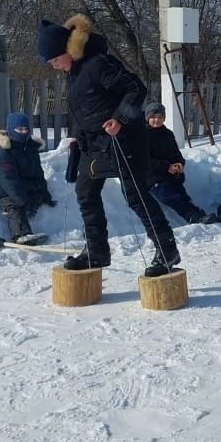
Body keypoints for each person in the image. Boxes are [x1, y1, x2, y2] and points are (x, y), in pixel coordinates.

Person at [38, 14, 180, 278]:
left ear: (66, 50)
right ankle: (97, 251)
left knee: (135, 195)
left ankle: (166, 250)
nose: (55, 66)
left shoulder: (97, 63)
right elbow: (87, 110)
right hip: (94, 145)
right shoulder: (73, 73)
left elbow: (135, 89)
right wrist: (76, 139)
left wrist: (120, 119)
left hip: (125, 139)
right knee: (85, 192)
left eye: (55, 60)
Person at [0, 111, 54, 245]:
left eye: (26, 129)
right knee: (14, 206)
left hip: (21, 184)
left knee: (35, 198)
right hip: (1, 189)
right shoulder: (2, 151)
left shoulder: (29, 148)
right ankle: (21, 234)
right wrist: (20, 200)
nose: (23, 132)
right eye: (19, 129)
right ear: (10, 130)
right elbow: (7, 179)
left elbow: (38, 173)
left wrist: (44, 193)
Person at [144, 102, 211, 225]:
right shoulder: (143, 135)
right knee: (171, 196)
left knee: (183, 196)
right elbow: (144, 160)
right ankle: (191, 217)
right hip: (153, 177)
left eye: (160, 117)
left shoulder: (167, 133)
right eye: (153, 117)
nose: (156, 120)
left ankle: (200, 215)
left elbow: (176, 153)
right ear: (148, 118)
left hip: (172, 174)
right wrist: (166, 167)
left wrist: (179, 164)